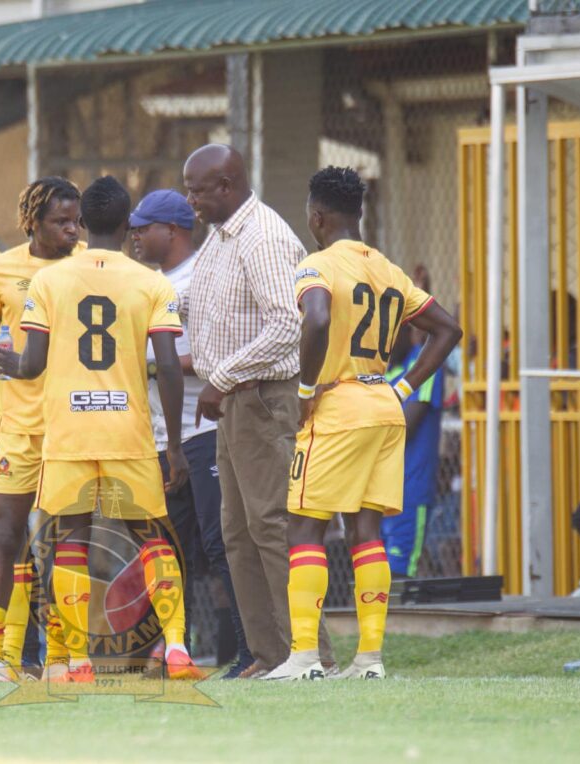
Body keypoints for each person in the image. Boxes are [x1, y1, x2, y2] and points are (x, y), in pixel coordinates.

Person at [0, 176, 202, 682]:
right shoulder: (153, 282)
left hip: (68, 434)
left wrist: (6, 362)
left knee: (70, 542)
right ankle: (176, 650)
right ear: (129, 224)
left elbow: (33, 363)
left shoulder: (49, 282)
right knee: (153, 538)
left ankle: (80, 660)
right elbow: (169, 368)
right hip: (128, 431)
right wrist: (172, 444)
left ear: (82, 223)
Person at [271, 166, 461, 681]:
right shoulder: (388, 269)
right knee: (366, 530)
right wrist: (403, 386)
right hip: (384, 407)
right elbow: (447, 329)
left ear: (317, 216)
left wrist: (306, 392)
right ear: (357, 213)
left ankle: (305, 659)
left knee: (305, 526)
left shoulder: (317, 265)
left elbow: (316, 320)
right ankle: (370, 660)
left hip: (338, 408)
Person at [183, 143, 334, 678]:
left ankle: (309, 654)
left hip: (262, 399)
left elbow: (287, 325)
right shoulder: (224, 236)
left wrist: (219, 378)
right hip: (235, 403)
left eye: (197, 190)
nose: (190, 200)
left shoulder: (263, 236)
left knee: (271, 525)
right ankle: (268, 655)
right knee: (237, 532)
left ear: (225, 186)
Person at [131, 188, 253, 677]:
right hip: (161, 436)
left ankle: (250, 651)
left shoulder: (202, 276)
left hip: (204, 431)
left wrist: (150, 365)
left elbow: (214, 355)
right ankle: (170, 651)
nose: (135, 236)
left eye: (144, 228)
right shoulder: (152, 282)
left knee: (221, 541)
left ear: (173, 231)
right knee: (167, 546)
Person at [0, 177, 82, 680]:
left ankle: (62, 658)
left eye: (76, 220)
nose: (73, 230)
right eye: (62, 221)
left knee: (64, 542)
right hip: (17, 426)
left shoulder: (86, 265)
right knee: (3, 537)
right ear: (33, 222)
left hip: (72, 425)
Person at [383, 324, 446, 578]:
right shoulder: (379, 373)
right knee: (371, 577)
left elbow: (403, 427)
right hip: (374, 493)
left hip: (408, 492)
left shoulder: (423, 365)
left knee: (398, 577)